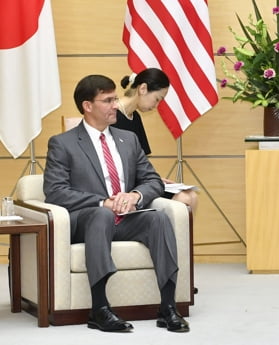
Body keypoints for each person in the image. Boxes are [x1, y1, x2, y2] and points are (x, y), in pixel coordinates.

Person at [43, 74, 190, 333]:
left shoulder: (128, 139)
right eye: (108, 100)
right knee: (102, 216)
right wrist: (102, 202)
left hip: (125, 219)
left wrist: (135, 196)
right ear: (88, 106)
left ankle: (167, 306)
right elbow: (55, 192)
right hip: (87, 220)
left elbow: (152, 180)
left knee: (158, 217)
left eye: (114, 99)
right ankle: (99, 308)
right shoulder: (63, 144)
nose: (115, 105)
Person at [112, 68, 198, 214]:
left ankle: (179, 237)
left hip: (137, 182)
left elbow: (141, 160)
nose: (156, 106)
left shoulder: (135, 117)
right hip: (123, 184)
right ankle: (168, 236)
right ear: (143, 89)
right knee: (184, 199)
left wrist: (155, 179)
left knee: (192, 196)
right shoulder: (111, 116)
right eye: (157, 99)